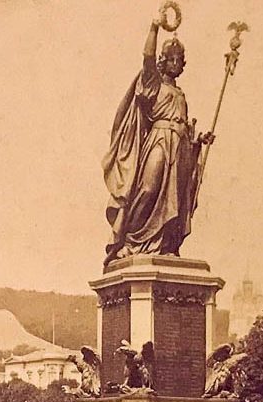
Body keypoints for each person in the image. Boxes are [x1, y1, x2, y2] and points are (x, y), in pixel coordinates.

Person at [102, 17, 214, 266]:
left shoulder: (181, 94)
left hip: (181, 147)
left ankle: (166, 245)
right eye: (170, 58)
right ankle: (131, 242)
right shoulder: (153, 84)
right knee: (149, 188)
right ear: (163, 62)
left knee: (176, 197)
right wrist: (154, 27)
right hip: (159, 141)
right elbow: (147, 58)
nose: (175, 63)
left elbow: (184, 125)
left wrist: (198, 141)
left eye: (179, 59)